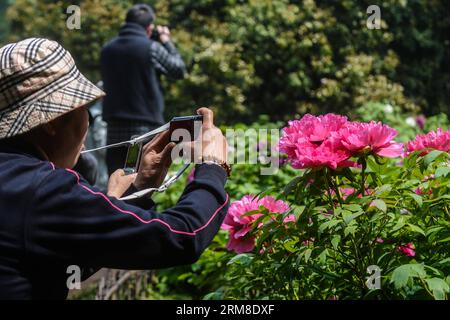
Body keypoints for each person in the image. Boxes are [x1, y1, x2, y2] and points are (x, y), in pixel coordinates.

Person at [0, 38, 229, 300]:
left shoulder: (17, 183)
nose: (89, 121)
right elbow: (183, 235)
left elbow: (57, 254)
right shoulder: (43, 190)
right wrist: (213, 165)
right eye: (84, 108)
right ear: (51, 121)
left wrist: (137, 192)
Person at [101, 3, 187, 175]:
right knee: (141, 179)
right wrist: (166, 41)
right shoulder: (151, 48)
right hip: (145, 127)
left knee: (116, 178)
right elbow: (179, 70)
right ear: (149, 28)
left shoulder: (107, 50)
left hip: (114, 127)